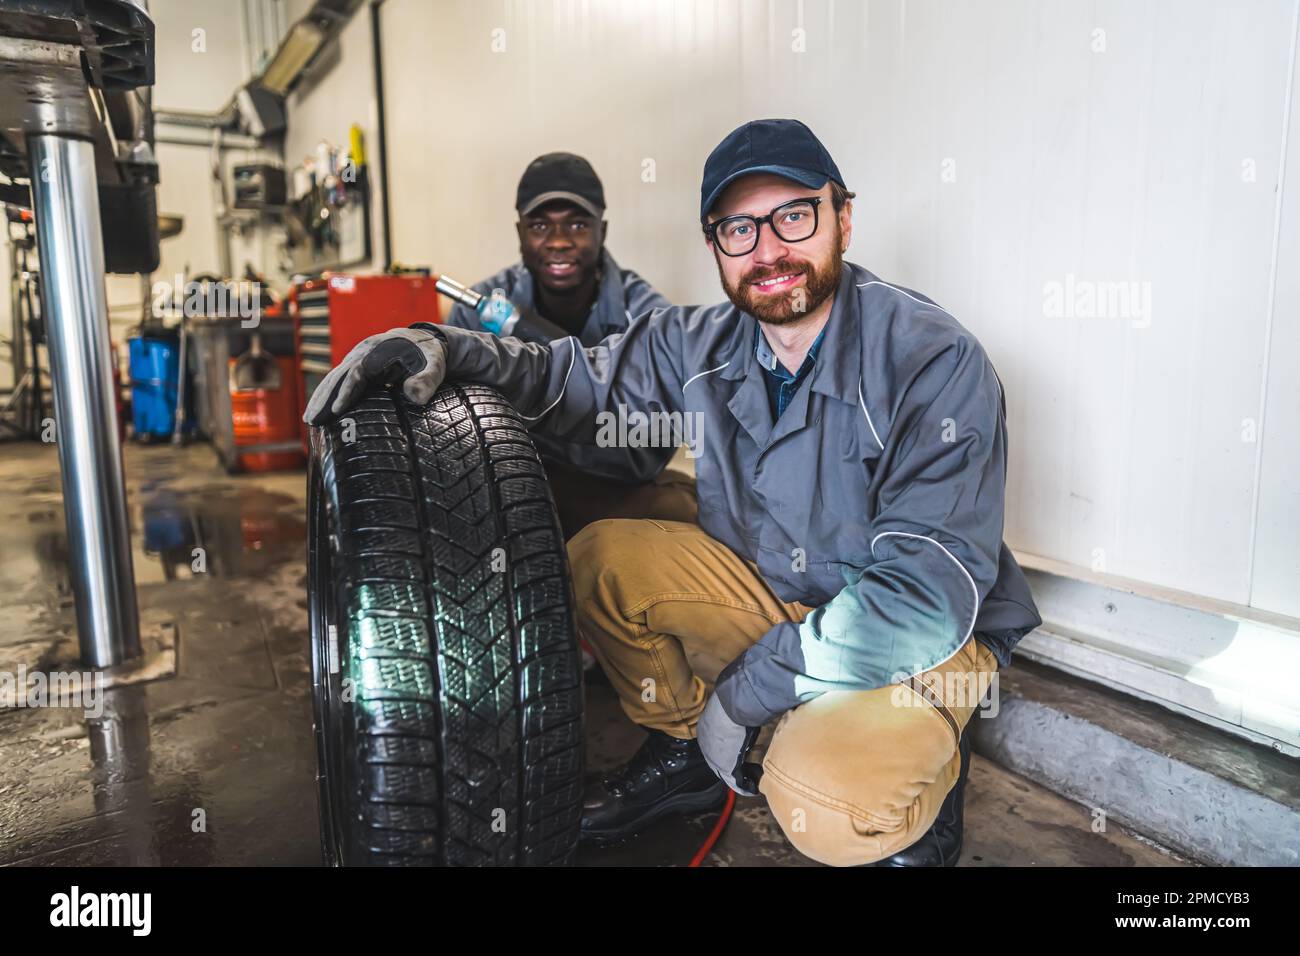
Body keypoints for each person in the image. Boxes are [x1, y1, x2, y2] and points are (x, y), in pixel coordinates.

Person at [305, 118, 1042, 867]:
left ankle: (926, 785)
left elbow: (922, 599)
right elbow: (570, 378)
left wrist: (749, 690)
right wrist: (447, 344)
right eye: (738, 228)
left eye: (794, 215)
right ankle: (689, 753)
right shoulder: (698, 344)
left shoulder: (931, 359)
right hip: (781, 594)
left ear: (842, 218)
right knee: (601, 560)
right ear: (715, 244)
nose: (769, 249)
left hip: (918, 637)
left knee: (825, 804)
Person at [446, 150, 695, 536]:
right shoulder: (475, 312)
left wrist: (528, 417)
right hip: (509, 486)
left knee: (681, 514)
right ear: (520, 233)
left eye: (578, 225)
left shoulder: (647, 317)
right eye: (541, 226)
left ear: (603, 231)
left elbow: (646, 453)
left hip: (612, 491)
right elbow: (462, 439)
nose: (559, 242)